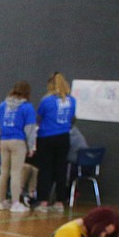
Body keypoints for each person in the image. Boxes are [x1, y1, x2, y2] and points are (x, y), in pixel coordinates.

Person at [0, 80, 37, 214]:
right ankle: (15, 203)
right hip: (18, 141)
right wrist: (31, 146)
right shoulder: (27, 107)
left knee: (4, 172)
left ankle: (1, 202)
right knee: (16, 172)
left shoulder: (3, 105)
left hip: (4, 140)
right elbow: (29, 128)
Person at [36, 72, 77, 212]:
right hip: (64, 137)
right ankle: (60, 201)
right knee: (61, 168)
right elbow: (72, 118)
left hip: (46, 137)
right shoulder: (72, 100)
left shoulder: (46, 100)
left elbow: (39, 117)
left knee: (45, 169)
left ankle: (43, 201)